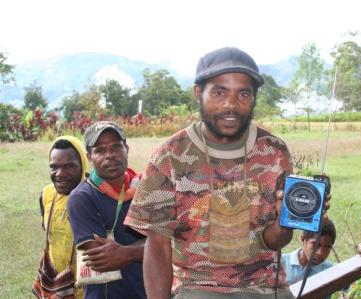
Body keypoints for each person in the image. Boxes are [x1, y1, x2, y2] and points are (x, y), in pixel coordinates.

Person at [125, 47, 330, 299]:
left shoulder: (275, 152)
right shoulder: (169, 156)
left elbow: (275, 241)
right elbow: (157, 246)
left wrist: (285, 220)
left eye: (243, 93)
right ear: (198, 93)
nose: (231, 104)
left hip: (265, 288)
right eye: (220, 92)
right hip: (199, 287)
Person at [67, 121, 146, 299]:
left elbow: (176, 245)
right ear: (89, 156)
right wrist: (155, 245)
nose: (110, 155)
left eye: (116, 147)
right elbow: (102, 259)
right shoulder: (82, 198)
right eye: (100, 150)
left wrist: (126, 252)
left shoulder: (147, 187)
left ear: (127, 148)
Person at [37, 136, 88, 298]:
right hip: (55, 287)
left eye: (69, 167)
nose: (60, 174)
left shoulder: (94, 196)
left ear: (82, 165)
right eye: (54, 167)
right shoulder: (46, 194)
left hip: (86, 291)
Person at [281, 220, 337, 286]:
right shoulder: (281, 264)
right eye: (316, 245)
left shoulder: (331, 272)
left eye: (327, 247)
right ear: (303, 239)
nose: (321, 253)